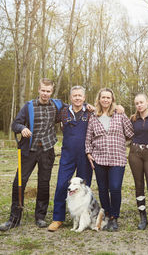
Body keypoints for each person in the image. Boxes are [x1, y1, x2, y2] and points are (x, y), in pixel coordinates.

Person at [0, 78, 63, 231]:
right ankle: (14, 218)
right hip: (29, 151)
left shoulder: (57, 105)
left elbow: (77, 105)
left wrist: (90, 106)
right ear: (38, 90)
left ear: (52, 91)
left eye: (48, 91)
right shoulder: (28, 106)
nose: (45, 94)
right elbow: (14, 124)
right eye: (43, 91)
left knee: (43, 184)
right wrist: (22, 128)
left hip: (47, 150)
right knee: (19, 183)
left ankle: (40, 217)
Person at [85, 88, 134, 232]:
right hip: (99, 158)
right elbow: (88, 137)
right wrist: (88, 152)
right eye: (103, 97)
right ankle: (106, 213)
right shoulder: (93, 116)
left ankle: (114, 217)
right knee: (102, 189)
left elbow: (130, 132)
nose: (105, 100)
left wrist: (124, 114)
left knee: (115, 187)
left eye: (108, 97)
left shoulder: (119, 114)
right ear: (99, 99)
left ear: (112, 99)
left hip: (117, 158)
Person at [47, 86, 93, 232]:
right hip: (67, 154)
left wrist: (119, 107)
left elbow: (108, 110)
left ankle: (85, 218)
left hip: (85, 155)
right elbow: (47, 118)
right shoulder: (63, 112)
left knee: (84, 188)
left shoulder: (91, 112)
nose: (77, 98)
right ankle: (58, 218)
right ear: (70, 97)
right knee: (61, 185)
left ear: (84, 98)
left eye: (80, 95)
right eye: (75, 96)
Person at [128, 93, 148, 230]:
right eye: (137, 103)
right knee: (139, 185)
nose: (139, 105)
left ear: (147, 102)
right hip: (135, 153)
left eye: (141, 102)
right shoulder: (133, 119)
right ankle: (142, 216)